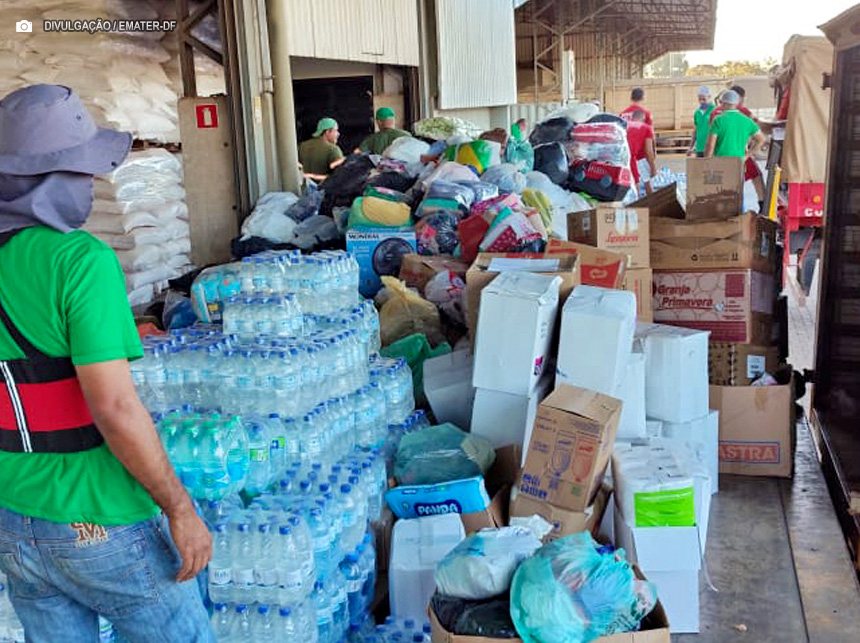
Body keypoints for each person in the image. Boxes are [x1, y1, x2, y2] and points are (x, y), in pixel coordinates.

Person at [0, 85, 213, 640]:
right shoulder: (77, 259)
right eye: (80, 172)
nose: (90, 184)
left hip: (12, 517)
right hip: (97, 519)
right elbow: (115, 407)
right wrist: (179, 507)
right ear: (50, 179)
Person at [710, 85, 766, 206]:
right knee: (756, 177)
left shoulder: (715, 115)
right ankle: (762, 204)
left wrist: (707, 160)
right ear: (738, 99)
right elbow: (760, 132)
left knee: (721, 189)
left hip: (720, 158)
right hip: (739, 156)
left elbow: (711, 141)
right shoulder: (743, 113)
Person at [705, 89, 766, 164]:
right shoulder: (747, 120)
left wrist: (707, 162)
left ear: (723, 103)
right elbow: (761, 139)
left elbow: (710, 145)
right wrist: (747, 156)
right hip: (739, 163)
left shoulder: (718, 120)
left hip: (720, 163)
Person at [626, 110, 658, 195]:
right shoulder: (646, 128)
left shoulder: (625, 125)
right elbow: (649, 151)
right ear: (643, 120)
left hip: (623, 158)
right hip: (634, 157)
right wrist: (653, 167)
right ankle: (647, 203)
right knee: (646, 183)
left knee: (631, 184)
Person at [687, 86, 715, 157]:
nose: (701, 101)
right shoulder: (697, 112)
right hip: (699, 147)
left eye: (704, 99)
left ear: (709, 97)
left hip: (712, 148)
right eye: (699, 99)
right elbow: (695, 131)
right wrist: (691, 147)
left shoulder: (714, 110)